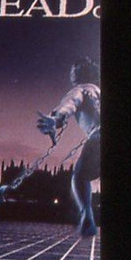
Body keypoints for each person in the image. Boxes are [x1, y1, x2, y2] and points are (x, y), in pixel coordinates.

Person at [37, 55, 100, 237]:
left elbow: (70, 104)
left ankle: (86, 213)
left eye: (73, 70)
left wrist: (55, 118)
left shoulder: (80, 89)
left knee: (80, 176)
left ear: (77, 74)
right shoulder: (100, 91)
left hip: (98, 137)